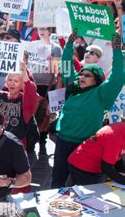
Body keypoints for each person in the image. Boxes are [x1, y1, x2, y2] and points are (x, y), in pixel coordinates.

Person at [51, 31, 123, 188]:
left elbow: (118, 75)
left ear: (97, 80)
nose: (82, 77)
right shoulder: (73, 86)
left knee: (85, 189)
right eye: (81, 74)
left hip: (85, 147)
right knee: (57, 182)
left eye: (88, 75)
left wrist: (117, 48)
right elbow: (65, 63)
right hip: (63, 141)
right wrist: (70, 43)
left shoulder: (102, 94)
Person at [67, 121, 125, 186]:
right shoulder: (116, 136)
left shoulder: (121, 129)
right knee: (90, 194)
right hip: (83, 167)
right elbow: (107, 168)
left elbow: (117, 155)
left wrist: (122, 171)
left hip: (96, 166)